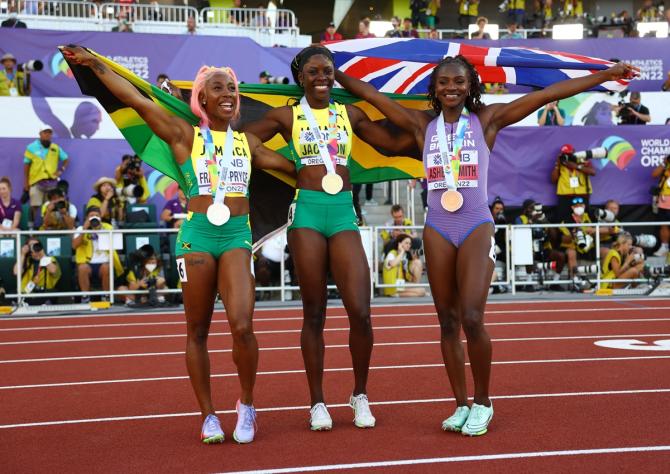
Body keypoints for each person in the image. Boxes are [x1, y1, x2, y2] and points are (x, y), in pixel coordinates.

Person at [336, 54, 636, 435]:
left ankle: (483, 401)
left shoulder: (487, 120)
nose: (451, 88)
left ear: (470, 85)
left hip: (475, 223)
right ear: (434, 88)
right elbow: (374, 96)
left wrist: (607, 74)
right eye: (444, 82)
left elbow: (548, 95)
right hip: (437, 226)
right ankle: (460, 404)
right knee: (447, 321)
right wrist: (334, 75)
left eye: (459, 82)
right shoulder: (420, 125)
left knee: (472, 318)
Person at [62, 45, 295, 444]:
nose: (227, 94)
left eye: (232, 89)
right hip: (198, 238)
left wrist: (335, 173)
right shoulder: (183, 134)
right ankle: (207, 415)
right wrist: (97, 64)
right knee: (198, 330)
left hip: (237, 236)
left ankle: (247, 403)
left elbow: (297, 169)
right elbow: (134, 98)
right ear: (202, 99)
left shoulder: (248, 144)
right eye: (218, 88)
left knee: (242, 326)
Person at [241, 46, 415, 431]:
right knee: (314, 313)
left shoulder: (348, 113)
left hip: (342, 215)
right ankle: (317, 401)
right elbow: (239, 142)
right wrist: (283, 164)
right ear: (300, 77)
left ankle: (360, 394)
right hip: (306, 213)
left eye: (328, 71)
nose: (322, 77)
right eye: (314, 71)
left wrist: (434, 129)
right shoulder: (286, 116)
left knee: (361, 310)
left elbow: (391, 143)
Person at [72, 206, 123, 303]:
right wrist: (84, 230)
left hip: (104, 262)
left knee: (106, 268)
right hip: (87, 263)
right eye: (91, 216)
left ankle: (107, 296)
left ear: (100, 217)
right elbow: (74, 246)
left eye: (97, 215)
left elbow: (116, 243)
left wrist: (101, 230)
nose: (94, 218)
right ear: (87, 218)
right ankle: (85, 297)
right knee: (82, 268)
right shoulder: (80, 228)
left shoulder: (107, 227)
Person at [23, 126, 69, 227]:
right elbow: (26, 165)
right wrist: (26, 182)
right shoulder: (31, 147)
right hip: (36, 181)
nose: (47, 135)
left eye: (49, 133)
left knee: (51, 207)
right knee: (34, 206)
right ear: (40, 134)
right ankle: (31, 228)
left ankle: (48, 228)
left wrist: (61, 170)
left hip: (51, 183)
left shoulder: (55, 148)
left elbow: (66, 159)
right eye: (45, 132)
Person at [551, 143, 595, 223]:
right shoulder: (561, 163)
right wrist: (557, 164)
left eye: (569, 153)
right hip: (565, 195)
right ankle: (567, 234)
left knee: (585, 217)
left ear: (574, 152)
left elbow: (593, 172)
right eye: (565, 154)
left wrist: (576, 166)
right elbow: (553, 180)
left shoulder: (582, 159)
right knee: (563, 218)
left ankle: (586, 233)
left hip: (582, 194)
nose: (568, 156)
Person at [559, 197, 596, 283]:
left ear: (584, 206)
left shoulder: (591, 216)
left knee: (605, 251)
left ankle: (604, 279)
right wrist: (573, 235)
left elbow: (605, 229)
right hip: (573, 246)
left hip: (589, 246)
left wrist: (594, 230)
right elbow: (564, 240)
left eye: (581, 205)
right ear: (572, 208)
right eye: (576, 206)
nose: (579, 207)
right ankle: (575, 280)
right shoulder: (566, 220)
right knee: (571, 252)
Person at [13, 238, 61, 304]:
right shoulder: (25, 260)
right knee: (12, 293)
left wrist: (42, 255)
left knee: (53, 293)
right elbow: (16, 272)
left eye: (36, 245)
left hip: (44, 293)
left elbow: (53, 271)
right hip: (26, 293)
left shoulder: (49, 259)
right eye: (31, 246)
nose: (34, 248)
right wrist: (23, 254)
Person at [652, 155, 670, 257]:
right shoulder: (666, 166)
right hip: (663, 200)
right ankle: (664, 247)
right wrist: (664, 163)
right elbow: (654, 174)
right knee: (664, 225)